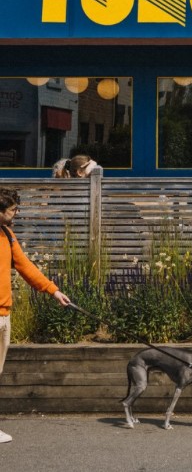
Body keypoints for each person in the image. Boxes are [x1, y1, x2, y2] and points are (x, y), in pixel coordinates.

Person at [0, 187, 72, 444]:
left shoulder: (8, 235)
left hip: (4, 315)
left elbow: (26, 267)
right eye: (13, 210)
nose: (16, 214)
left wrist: (53, 291)